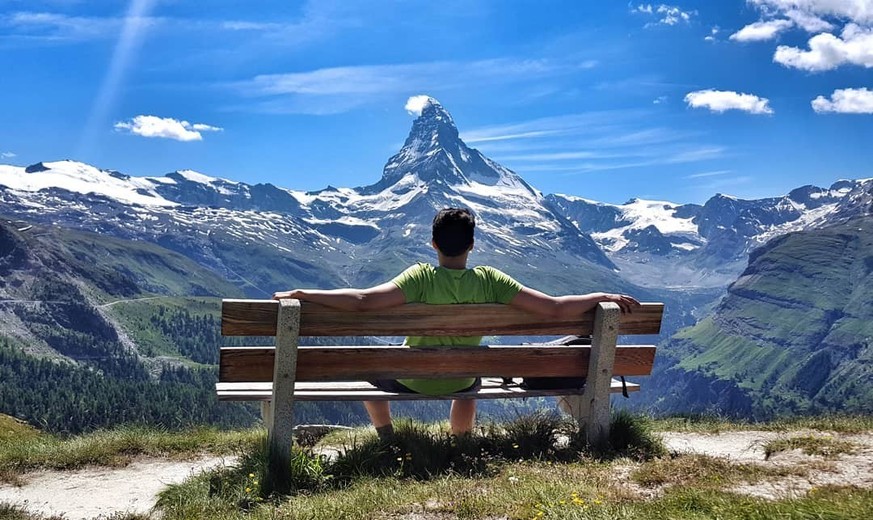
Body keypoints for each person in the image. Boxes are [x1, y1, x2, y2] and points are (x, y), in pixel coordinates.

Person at [273, 208, 640, 438]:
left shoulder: (419, 277)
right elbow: (555, 308)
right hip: (462, 378)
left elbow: (363, 301)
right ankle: (460, 442)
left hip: (410, 378)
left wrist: (306, 293)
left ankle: (388, 438)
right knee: (472, 377)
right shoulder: (491, 280)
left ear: (433, 244)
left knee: (369, 375)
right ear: (472, 245)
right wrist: (599, 295)